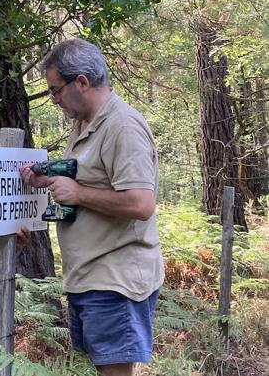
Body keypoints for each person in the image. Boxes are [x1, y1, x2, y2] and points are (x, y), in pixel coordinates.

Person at [20, 39, 164, 376]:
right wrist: (49, 182)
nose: (53, 99)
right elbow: (86, 179)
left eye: (56, 90)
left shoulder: (123, 127)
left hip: (116, 278)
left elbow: (141, 203)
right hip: (87, 277)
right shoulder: (85, 123)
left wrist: (79, 193)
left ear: (82, 82)